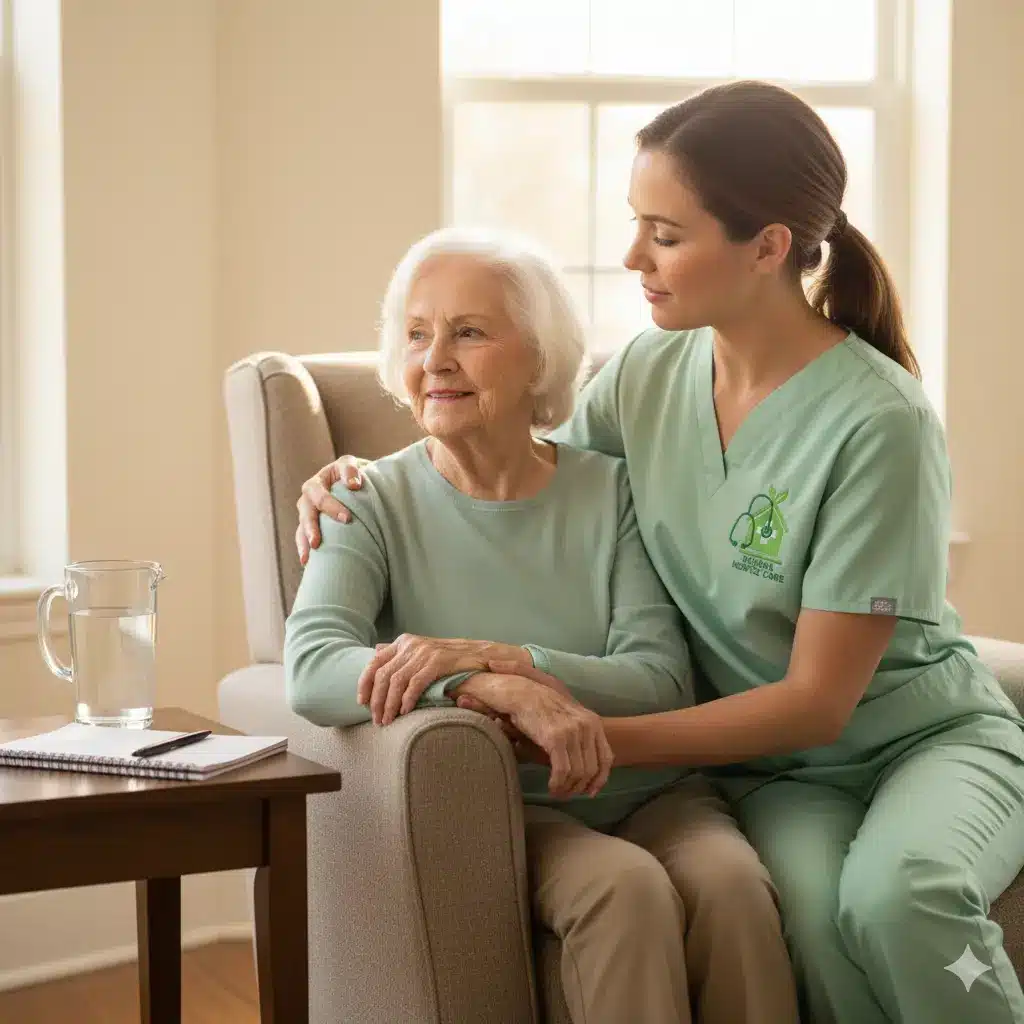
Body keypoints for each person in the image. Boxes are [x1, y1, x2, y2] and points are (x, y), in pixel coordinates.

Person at [297, 81, 1024, 1024]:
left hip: (908, 745)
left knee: (896, 900)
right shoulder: (648, 373)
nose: (633, 257)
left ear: (766, 247)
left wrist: (560, 726)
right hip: (774, 777)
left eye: (666, 235)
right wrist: (350, 478)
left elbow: (815, 703)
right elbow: (529, 477)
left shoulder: (878, 423)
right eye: (635, 225)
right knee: (807, 921)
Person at [285, 225, 799, 1024]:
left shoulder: (613, 489)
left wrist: (520, 665)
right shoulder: (361, 499)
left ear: (540, 358)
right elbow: (313, 668)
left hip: (655, 791)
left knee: (734, 887)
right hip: (510, 806)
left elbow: (659, 677)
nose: (436, 359)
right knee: (623, 890)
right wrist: (488, 686)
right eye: (417, 335)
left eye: (470, 332)